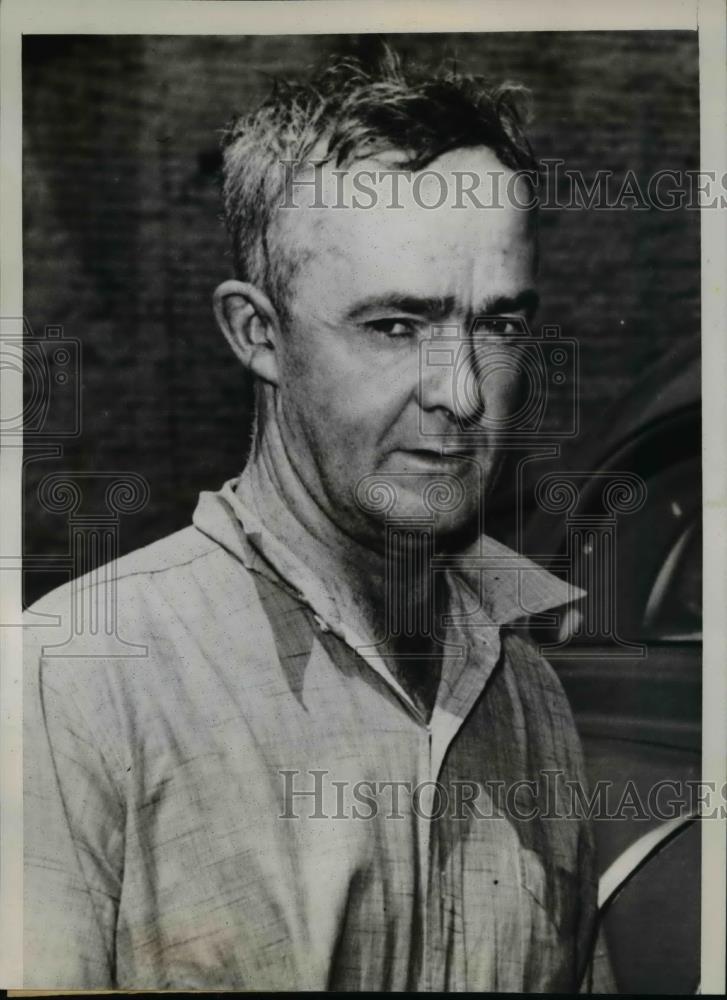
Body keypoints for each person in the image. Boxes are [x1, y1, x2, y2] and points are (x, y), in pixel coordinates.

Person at [23, 51, 613, 991]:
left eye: (497, 325)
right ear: (256, 333)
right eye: (395, 327)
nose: (460, 392)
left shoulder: (526, 692)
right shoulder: (70, 682)